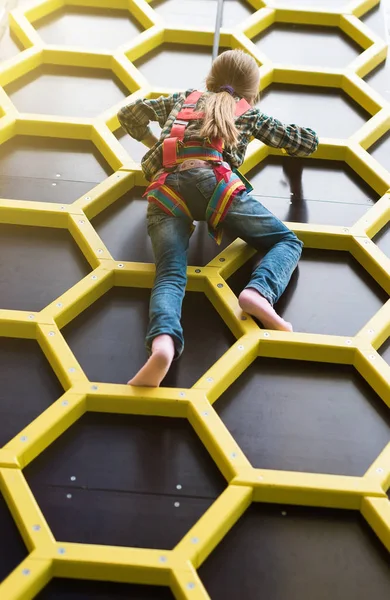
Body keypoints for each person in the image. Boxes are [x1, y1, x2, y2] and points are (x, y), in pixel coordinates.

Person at [118, 49, 318, 387]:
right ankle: (258, 293)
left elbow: (129, 114)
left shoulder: (183, 98)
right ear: (251, 92)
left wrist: (156, 144)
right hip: (216, 187)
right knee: (286, 240)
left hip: (166, 189)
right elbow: (304, 143)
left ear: (210, 79)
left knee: (169, 275)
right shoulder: (249, 113)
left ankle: (163, 343)